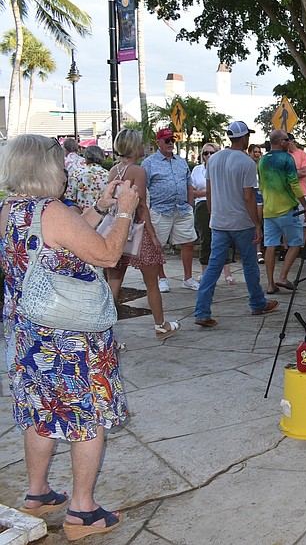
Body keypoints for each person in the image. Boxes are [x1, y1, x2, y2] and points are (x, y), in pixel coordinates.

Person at [0, 134, 140, 541]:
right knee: (87, 414)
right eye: (60, 164)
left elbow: (61, 242)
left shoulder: (11, 209)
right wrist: (125, 213)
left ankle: (38, 493)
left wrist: (100, 207)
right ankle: (82, 511)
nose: (65, 170)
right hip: (70, 339)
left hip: (29, 336)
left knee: (41, 412)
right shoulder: (51, 212)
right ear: (46, 169)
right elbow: (107, 255)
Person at [194, 121, 280, 327]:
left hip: (219, 222)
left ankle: (202, 311)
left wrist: (214, 214)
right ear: (244, 138)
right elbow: (249, 197)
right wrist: (257, 224)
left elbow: (209, 192)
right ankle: (257, 303)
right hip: (241, 222)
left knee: (214, 266)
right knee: (250, 264)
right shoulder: (247, 163)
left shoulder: (213, 159)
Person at [105, 129, 181, 341]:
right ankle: (161, 325)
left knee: (114, 282)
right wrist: (153, 235)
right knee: (151, 282)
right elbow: (141, 206)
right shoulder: (138, 170)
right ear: (134, 147)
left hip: (117, 229)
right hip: (137, 228)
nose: (144, 146)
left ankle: (105, 336)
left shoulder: (114, 171)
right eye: (141, 143)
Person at [142, 128, 199, 292]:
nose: (170, 144)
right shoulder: (149, 163)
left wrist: (189, 204)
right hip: (160, 210)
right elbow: (144, 189)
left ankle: (188, 278)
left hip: (182, 210)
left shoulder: (181, 162)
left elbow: (189, 185)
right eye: (167, 141)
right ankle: (162, 278)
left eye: (172, 140)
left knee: (188, 243)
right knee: (157, 246)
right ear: (158, 142)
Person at [258, 129, 306, 294]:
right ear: (280, 142)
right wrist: (305, 205)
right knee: (296, 243)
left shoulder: (262, 160)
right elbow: (294, 183)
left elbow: (261, 185)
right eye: (287, 139)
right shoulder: (287, 158)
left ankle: (270, 284)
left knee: (270, 246)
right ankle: (283, 276)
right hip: (287, 209)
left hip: (269, 211)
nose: (290, 142)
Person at [190, 142, 234, 285]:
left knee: (223, 237)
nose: (208, 156)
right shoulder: (197, 170)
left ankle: (228, 274)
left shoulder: (223, 168)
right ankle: (204, 272)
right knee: (205, 239)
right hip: (202, 206)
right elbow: (193, 192)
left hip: (220, 204)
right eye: (205, 153)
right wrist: (208, 192)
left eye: (211, 153)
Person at [286, 132, 306, 247]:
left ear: (292, 141)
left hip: (303, 193)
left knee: (305, 223)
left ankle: (303, 248)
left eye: (287, 141)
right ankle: (286, 248)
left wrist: (289, 172)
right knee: (286, 223)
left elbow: (305, 172)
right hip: (287, 194)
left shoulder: (303, 155)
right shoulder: (283, 155)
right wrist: (297, 171)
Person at [64, 145, 109, 210]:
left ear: (86, 157)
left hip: (82, 215)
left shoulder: (76, 174)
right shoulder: (108, 174)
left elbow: (70, 197)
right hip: (102, 215)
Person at [247, 143, 266, 264]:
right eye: (255, 152)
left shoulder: (261, 165)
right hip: (250, 192)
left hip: (260, 193)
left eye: (259, 152)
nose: (257, 154)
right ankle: (253, 250)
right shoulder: (247, 165)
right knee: (251, 222)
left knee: (258, 221)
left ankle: (259, 250)